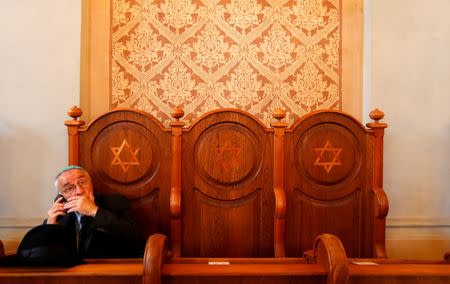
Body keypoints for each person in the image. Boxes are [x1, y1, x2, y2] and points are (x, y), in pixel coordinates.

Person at [46, 165, 143, 258]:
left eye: (82, 182)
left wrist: (94, 211)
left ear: (91, 184)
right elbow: (47, 254)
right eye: (69, 188)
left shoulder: (116, 202)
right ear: (62, 196)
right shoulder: (58, 215)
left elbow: (133, 235)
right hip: (71, 272)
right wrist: (50, 227)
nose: (79, 191)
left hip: (111, 268)